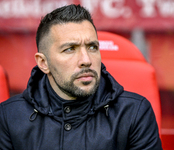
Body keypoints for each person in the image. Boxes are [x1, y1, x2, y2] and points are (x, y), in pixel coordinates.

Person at [0, 4, 162, 150]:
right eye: (70, 49)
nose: (86, 60)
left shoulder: (133, 112)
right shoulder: (9, 117)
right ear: (43, 63)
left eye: (92, 47)